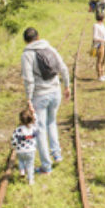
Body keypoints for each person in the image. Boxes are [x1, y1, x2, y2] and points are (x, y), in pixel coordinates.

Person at [21, 27, 70, 175]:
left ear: (25, 40)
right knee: (51, 122)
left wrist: (29, 98)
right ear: (38, 36)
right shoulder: (49, 47)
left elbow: (28, 79)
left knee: (40, 130)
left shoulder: (27, 54)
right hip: (55, 91)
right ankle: (57, 154)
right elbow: (63, 68)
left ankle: (46, 166)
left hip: (40, 95)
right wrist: (67, 86)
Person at [11, 107, 38, 184]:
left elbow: (14, 140)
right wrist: (34, 113)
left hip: (20, 150)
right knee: (30, 165)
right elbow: (36, 121)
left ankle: (22, 171)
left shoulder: (18, 130)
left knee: (21, 161)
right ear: (31, 119)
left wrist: (14, 146)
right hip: (31, 150)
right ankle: (30, 180)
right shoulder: (33, 128)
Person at [92, 11, 105, 81]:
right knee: (100, 60)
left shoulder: (102, 25)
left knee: (104, 59)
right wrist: (102, 40)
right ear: (102, 18)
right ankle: (99, 75)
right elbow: (95, 37)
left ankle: (103, 73)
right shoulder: (96, 26)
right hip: (100, 45)